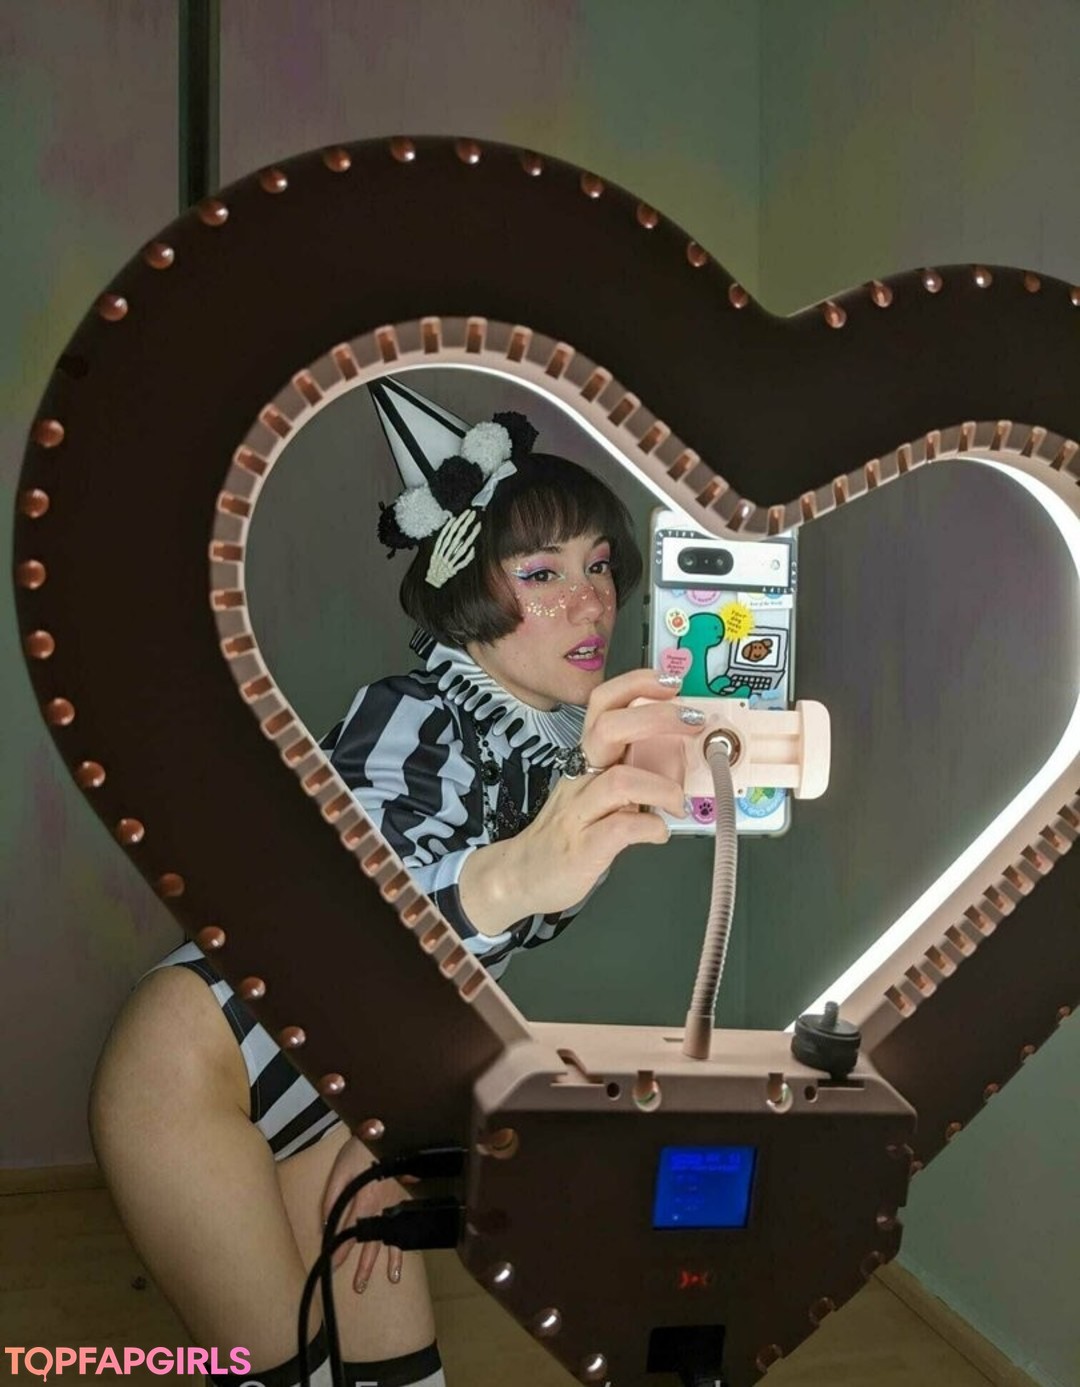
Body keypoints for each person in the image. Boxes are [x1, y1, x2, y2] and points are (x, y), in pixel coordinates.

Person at [89, 379, 704, 1387]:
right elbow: (369, 923)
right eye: (541, 571)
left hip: (337, 1097)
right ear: (466, 588)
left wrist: (395, 1131)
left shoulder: (559, 760)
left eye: (599, 564)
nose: (590, 599)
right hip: (201, 1067)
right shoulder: (409, 714)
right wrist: (521, 870)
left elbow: (461, 981)